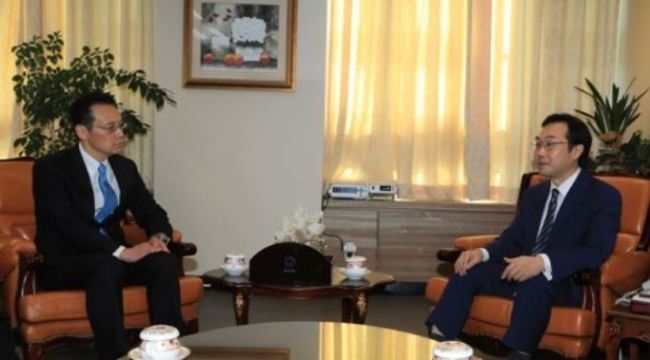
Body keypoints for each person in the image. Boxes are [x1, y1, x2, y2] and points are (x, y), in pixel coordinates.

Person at [425, 113, 622, 359]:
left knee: (535, 281)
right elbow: (512, 239)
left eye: (550, 144)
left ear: (576, 150)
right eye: (538, 144)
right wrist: (482, 253)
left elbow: (596, 250)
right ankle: (440, 346)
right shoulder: (536, 194)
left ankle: (519, 354)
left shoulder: (602, 196)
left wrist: (541, 263)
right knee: (467, 270)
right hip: (518, 274)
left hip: (563, 282)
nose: (540, 152)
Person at [33, 92, 183, 359]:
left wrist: (159, 238)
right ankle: (115, 354)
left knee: (162, 262)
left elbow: (151, 211)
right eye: (110, 128)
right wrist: (122, 251)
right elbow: (66, 224)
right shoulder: (52, 169)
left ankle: (167, 348)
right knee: (106, 265)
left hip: (112, 258)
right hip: (67, 262)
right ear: (82, 131)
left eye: (121, 126)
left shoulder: (124, 168)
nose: (120, 134)